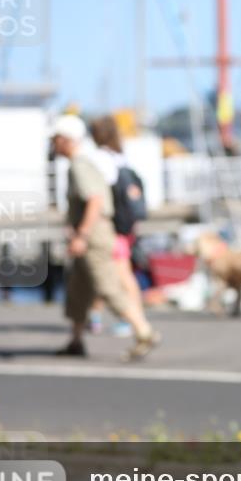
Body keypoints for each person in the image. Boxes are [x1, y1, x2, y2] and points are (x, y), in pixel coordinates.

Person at [52, 114, 160, 361]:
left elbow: (95, 200)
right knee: (79, 290)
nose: (54, 144)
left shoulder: (81, 164)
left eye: (56, 139)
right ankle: (76, 340)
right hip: (92, 233)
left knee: (108, 286)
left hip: (94, 235)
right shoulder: (84, 162)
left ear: (67, 140)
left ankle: (144, 332)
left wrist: (82, 234)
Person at [87, 115, 147, 338]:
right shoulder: (120, 157)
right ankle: (98, 315)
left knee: (117, 274)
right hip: (127, 224)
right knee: (109, 272)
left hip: (110, 225)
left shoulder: (99, 159)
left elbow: (96, 196)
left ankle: (132, 319)